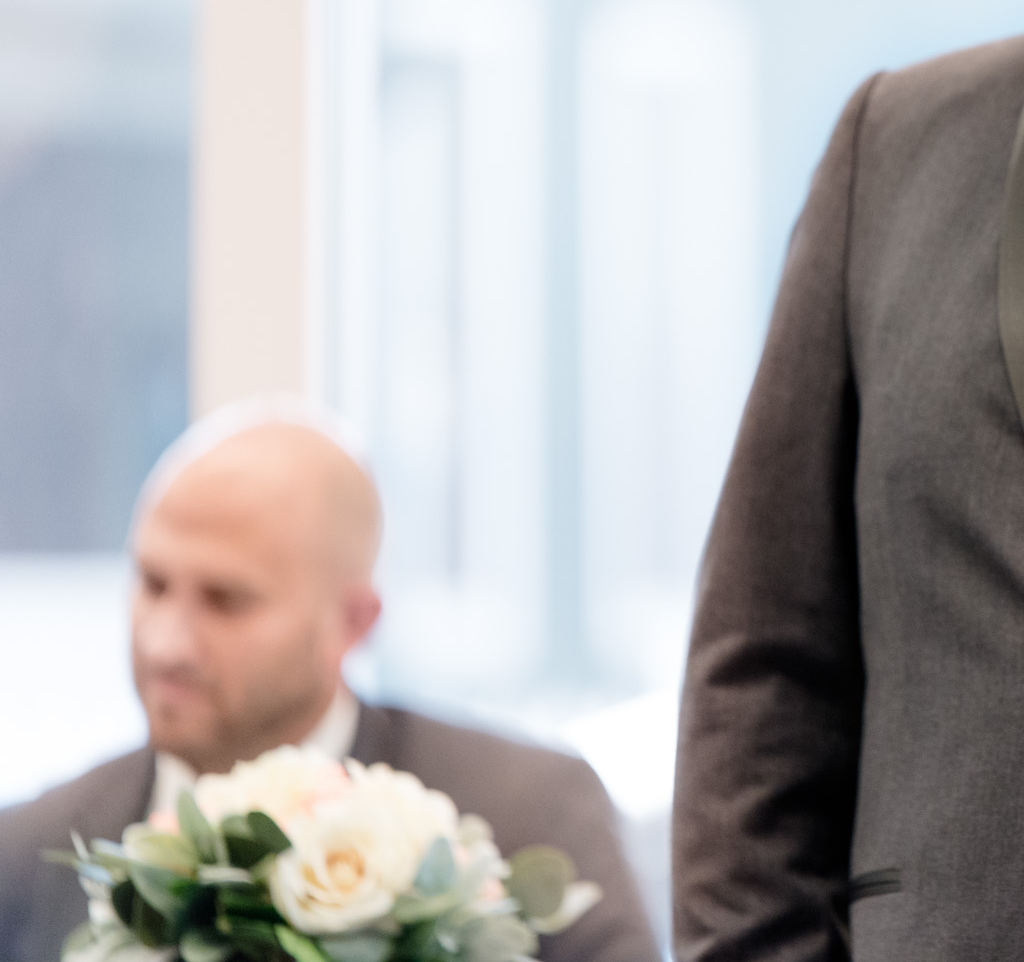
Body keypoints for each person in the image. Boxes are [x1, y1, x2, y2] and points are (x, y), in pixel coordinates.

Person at [0, 400, 658, 962]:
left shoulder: (530, 812)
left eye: (226, 599)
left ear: (353, 622)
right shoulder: (27, 852)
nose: (165, 639)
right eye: (153, 582)